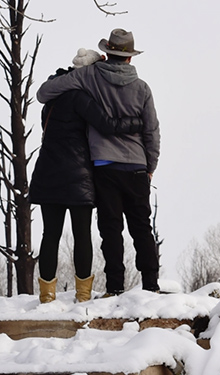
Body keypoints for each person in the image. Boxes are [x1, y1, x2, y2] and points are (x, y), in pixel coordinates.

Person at [36, 28, 161, 296]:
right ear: (130, 58)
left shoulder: (89, 76)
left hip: (104, 166)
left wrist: (70, 75)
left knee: (110, 230)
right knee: (142, 228)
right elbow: (151, 131)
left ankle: (114, 287)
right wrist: (150, 165)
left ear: (107, 53)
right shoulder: (142, 88)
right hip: (137, 166)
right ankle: (150, 285)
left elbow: (45, 93)